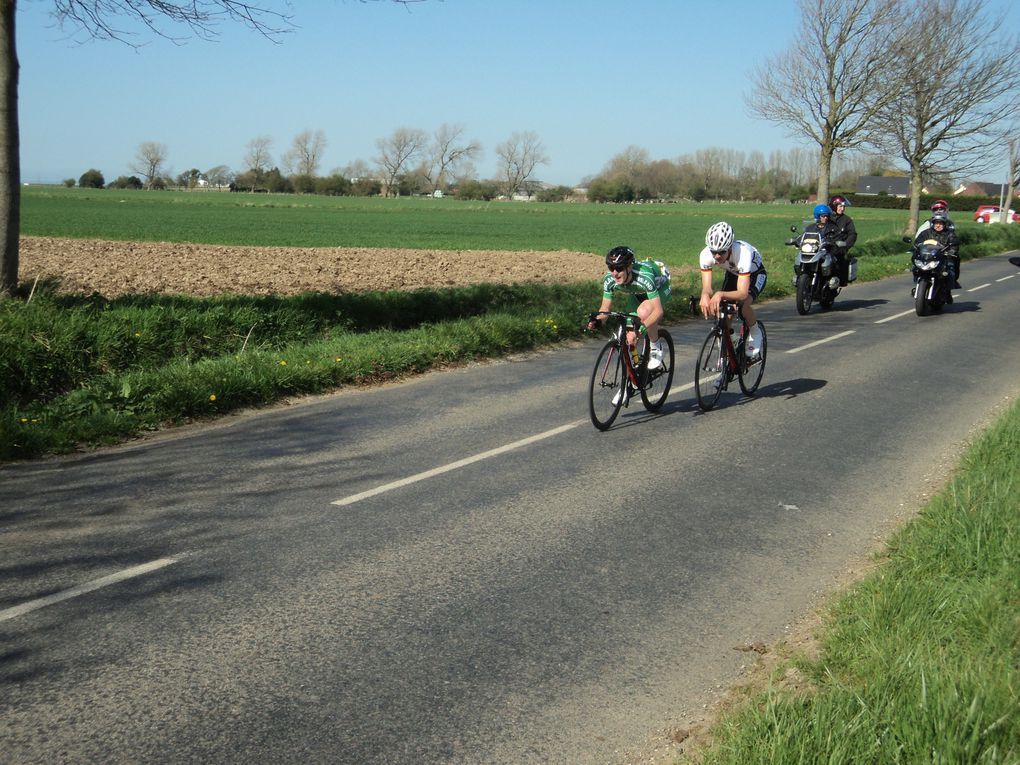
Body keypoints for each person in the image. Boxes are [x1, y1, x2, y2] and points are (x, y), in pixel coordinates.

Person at [588, 245, 672, 373]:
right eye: (611, 268)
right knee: (629, 336)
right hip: (638, 293)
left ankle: (655, 346)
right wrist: (598, 321)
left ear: (629, 267)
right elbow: (605, 308)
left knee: (644, 312)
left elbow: (658, 311)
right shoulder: (609, 279)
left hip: (660, 287)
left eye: (619, 268)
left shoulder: (644, 277)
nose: (615, 273)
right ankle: (632, 378)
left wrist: (641, 328)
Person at [698, 221, 767, 357]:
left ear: (729, 248)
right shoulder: (705, 255)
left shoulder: (743, 253)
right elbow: (707, 288)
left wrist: (720, 294)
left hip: (754, 275)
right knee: (723, 313)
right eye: (714, 252)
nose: (717, 256)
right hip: (733, 273)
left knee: (743, 305)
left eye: (721, 252)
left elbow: (741, 294)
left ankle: (755, 331)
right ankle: (731, 340)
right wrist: (705, 295)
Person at [913, 211, 961, 293]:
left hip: (943, 258)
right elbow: (918, 242)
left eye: (940, 223)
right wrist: (916, 248)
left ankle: (947, 290)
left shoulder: (949, 234)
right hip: (928, 258)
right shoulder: (926, 233)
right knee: (915, 268)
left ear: (944, 224)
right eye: (936, 223)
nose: (938, 225)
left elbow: (954, 244)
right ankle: (917, 285)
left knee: (950, 270)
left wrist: (951, 251)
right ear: (933, 224)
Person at [799, 204, 841, 290]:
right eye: (823, 216)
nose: (825, 218)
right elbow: (804, 236)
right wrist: (795, 240)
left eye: (826, 216)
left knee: (831, 260)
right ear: (818, 216)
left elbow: (838, 237)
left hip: (826, 251)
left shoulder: (833, 228)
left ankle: (831, 281)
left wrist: (834, 242)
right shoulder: (810, 227)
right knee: (798, 257)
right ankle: (799, 279)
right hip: (814, 251)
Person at [828, 195, 857, 286]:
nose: (842, 208)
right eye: (840, 206)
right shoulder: (826, 218)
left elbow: (852, 234)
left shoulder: (847, 220)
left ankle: (838, 281)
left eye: (843, 206)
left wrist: (846, 244)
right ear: (834, 206)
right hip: (825, 245)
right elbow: (817, 228)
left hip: (838, 247)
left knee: (840, 262)